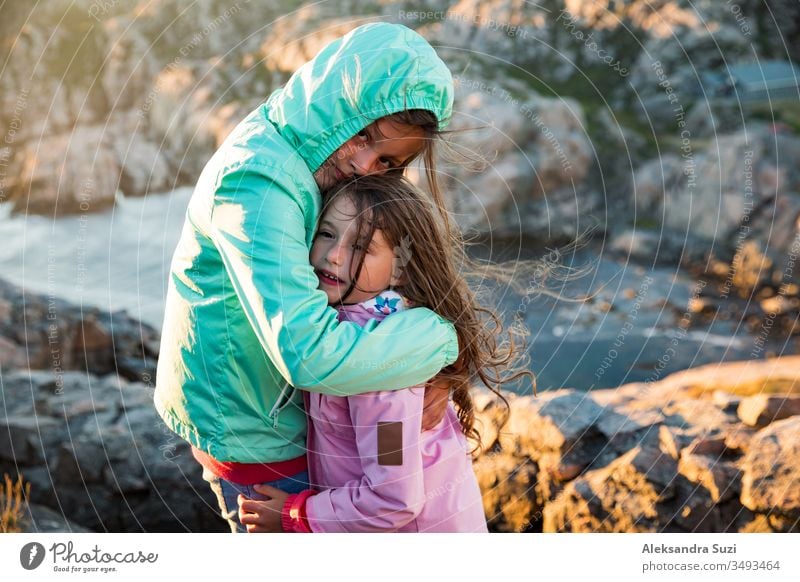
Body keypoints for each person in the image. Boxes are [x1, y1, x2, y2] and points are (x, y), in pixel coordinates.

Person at [154, 22, 460, 533]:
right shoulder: (259, 179)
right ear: (335, 104)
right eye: (363, 134)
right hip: (261, 436)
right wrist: (443, 342)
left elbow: (389, 477)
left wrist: (433, 372)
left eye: (387, 160)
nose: (364, 164)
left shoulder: (309, 157)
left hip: (290, 426)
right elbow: (307, 353)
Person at [237, 175, 532, 532]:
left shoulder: (384, 367)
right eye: (327, 233)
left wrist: (297, 515)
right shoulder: (345, 327)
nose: (333, 255)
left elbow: (394, 498)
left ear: (401, 268)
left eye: (361, 247)